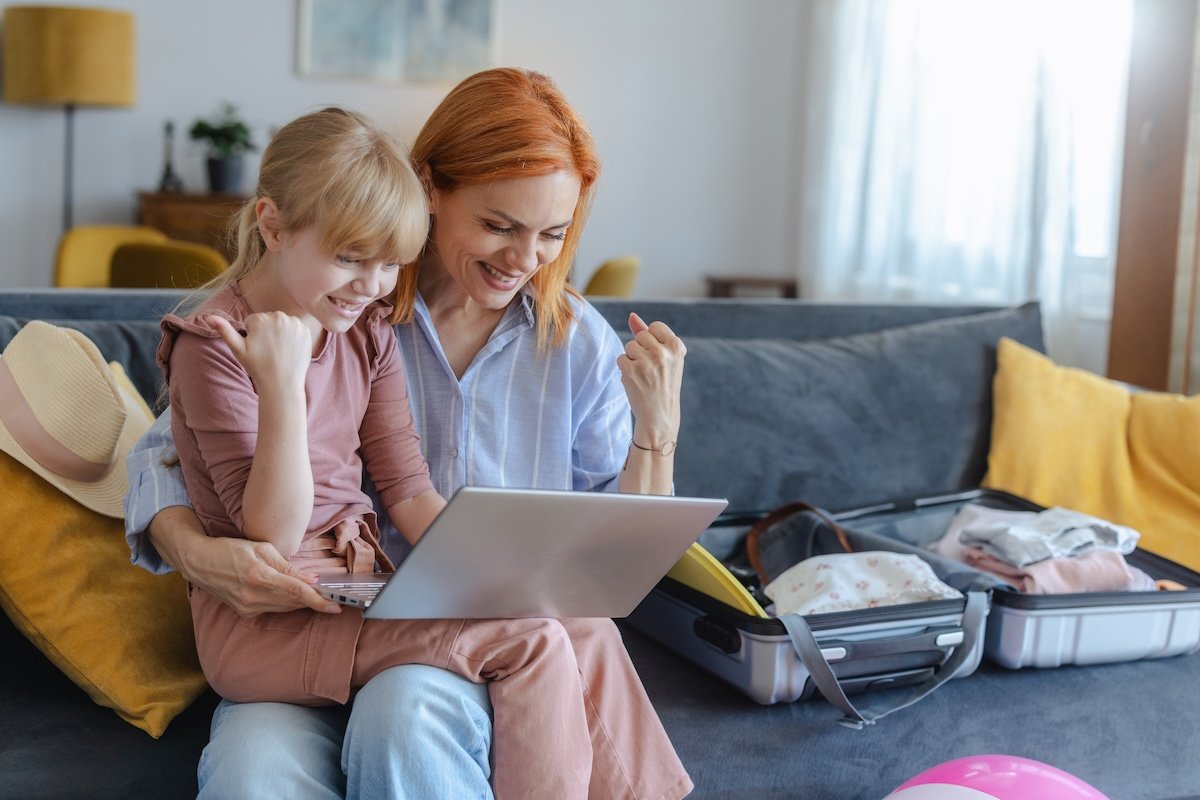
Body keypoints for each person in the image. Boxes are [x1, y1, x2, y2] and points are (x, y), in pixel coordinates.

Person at [126, 68, 689, 799]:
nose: (525, 259)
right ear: (429, 189)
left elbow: (616, 559)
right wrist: (190, 547)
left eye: (553, 234)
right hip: (310, 614)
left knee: (413, 710)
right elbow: (165, 451)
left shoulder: (575, 342)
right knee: (251, 773)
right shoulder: (341, 302)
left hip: (444, 628)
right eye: (498, 225)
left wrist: (659, 431)